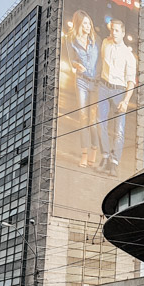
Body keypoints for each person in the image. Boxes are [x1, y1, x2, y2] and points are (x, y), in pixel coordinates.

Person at [97, 19, 137, 176]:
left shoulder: (128, 55)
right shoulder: (105, 44)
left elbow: (131, 82)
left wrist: (126, 101)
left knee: (119, 130)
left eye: (117, 31)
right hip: (103, 86)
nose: (113, 33)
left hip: (119, 91)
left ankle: (114, 162)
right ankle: (105, 156)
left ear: (123, 33)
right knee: (101, 123)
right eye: (112, 30)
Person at [65, 10, 100, 168]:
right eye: (84, 23)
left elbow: (101, 60)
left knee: (93, 120)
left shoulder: (96, 39)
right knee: (83, 118)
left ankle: (94, 150)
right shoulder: (71, 40)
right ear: (79, 24)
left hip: (96, 83)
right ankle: (84, 154)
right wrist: (76, 65)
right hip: (81, 82)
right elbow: (70, 59)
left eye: (89, 23)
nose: (88, 26)